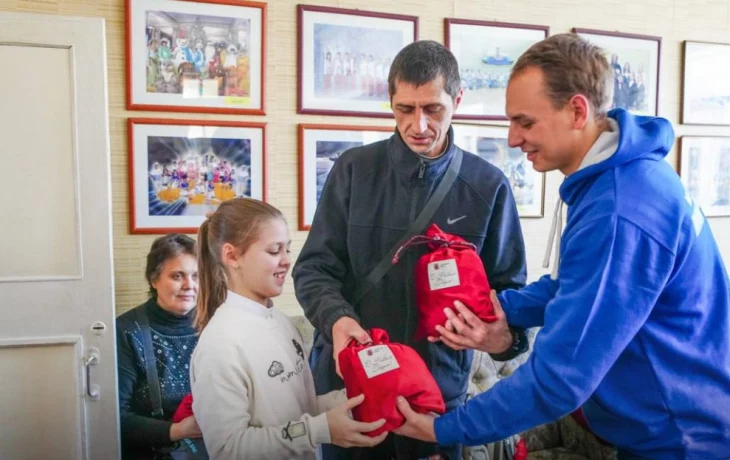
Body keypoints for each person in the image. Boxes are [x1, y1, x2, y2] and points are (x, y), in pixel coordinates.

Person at [393, 33, 730, 459]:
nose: (513, 139)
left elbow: (559, 379)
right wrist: (502, 307)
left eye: (525, 122)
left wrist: (444, 429)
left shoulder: (620, 210)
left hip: (680, 443)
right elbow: (575, 284)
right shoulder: (623, 178)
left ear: (576, 111)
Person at [292, 40, 528, 460]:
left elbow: (511, 294)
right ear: (390, 101)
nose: (418, 125)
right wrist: (337, 320)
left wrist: (502, 339)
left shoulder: (488, 185)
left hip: (436, 395)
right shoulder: (353, 170)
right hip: (354, 392)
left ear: (457, 99)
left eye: (433, 109)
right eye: (405, 109)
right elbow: (313, 270)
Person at [189, 198, 388, 460]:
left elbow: (298, 409)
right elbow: (228, 448)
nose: (286, 261)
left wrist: (354, 397)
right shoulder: (220, 344)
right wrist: (319, 430)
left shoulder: (282, 323)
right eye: (274, 251)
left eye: (287, 250)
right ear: (232, 256)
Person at [116, 233, 203, 460]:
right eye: (177, 276)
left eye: (196, 276)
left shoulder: (216, 325)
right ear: (154, 280)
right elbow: (115, 416)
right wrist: (176, 431)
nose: (189, 285)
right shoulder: (126, 331)